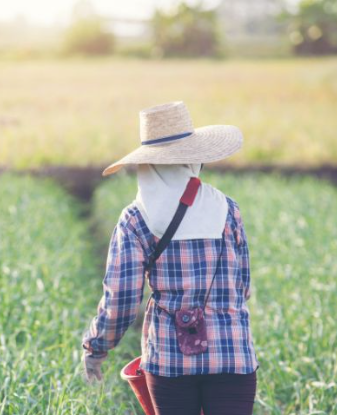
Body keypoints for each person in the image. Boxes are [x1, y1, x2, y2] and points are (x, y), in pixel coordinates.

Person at [81, 102, 258, 415]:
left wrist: (96, 348)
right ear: (193, 160)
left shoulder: (136, 218)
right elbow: (242, 287)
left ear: (147, 165)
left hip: (170, 359)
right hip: (233, 355)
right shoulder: (228, 209)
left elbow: (121, 300)